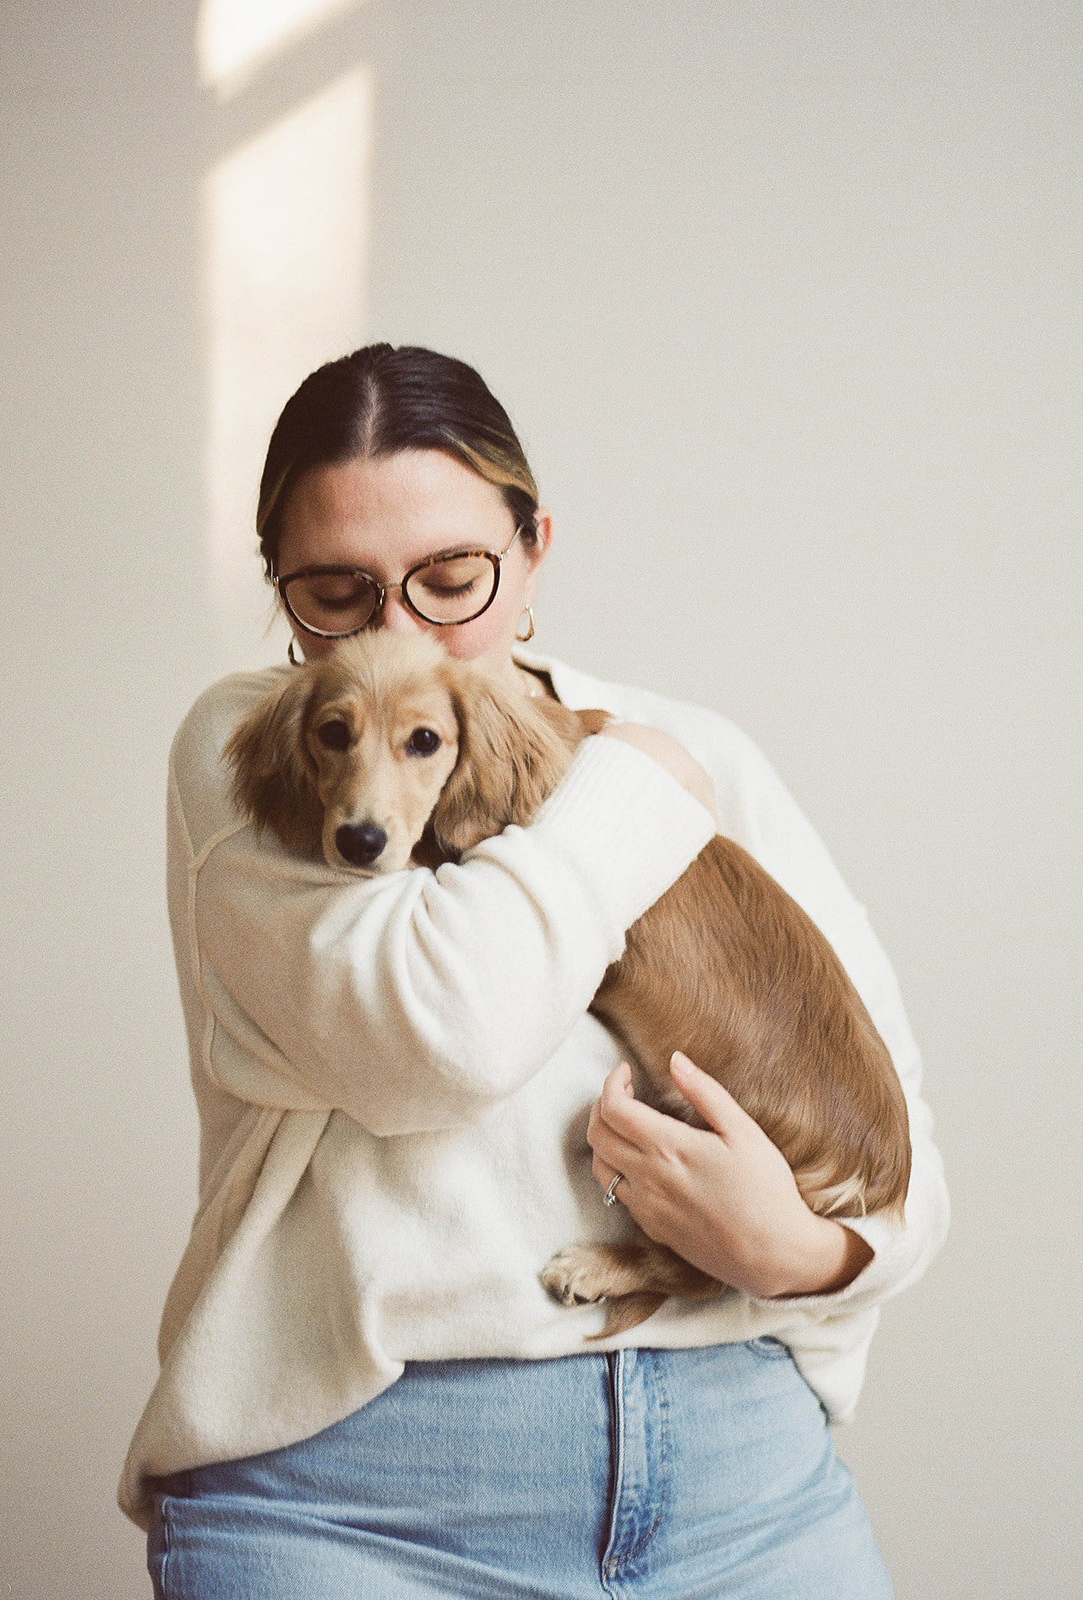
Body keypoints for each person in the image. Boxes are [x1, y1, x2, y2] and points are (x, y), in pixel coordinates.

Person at [121, 344, 949, 1599]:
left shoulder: (700, 748)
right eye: (338, 595)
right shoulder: (265, 750)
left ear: (532, 552)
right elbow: (441, 1042)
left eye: (451, 578)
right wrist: (631, 787)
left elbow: (905, 1159)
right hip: (358, 1506)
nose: (403, 633)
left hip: (743, 1488)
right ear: (280, 591)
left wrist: (800, 1252)